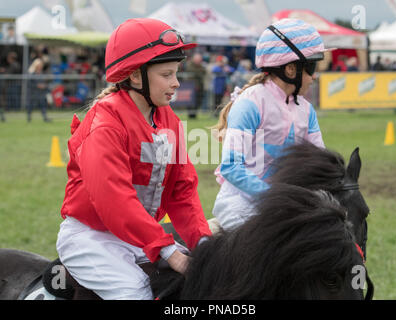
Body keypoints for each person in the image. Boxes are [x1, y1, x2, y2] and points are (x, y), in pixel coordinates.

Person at [56, 18, 212, 300]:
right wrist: (169, 252)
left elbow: (182, 193)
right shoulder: (105, 122)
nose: (176, 83)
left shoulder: (170, 121)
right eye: (167, 74)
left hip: (139, 237)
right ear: (136, 76)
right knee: (134, 292)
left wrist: (203, 245)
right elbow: (114, 199)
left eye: (176, 73)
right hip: (91, 238)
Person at [211, 18, 329, 231]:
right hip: (241, 205)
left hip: (287, 206)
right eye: (311, 67)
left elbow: (319, 164)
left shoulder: (307, 110)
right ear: (291, 69)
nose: (314, 77)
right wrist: (276, 197)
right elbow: (230, 167)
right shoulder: (250, 103)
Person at [27, 58, 51, 122]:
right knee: (31, 106)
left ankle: (45, 117)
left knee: (43, 105)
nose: (40, 67)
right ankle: (29, 118)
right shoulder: (32, 73)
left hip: (41, 93)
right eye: (39, 65)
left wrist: (44, 86)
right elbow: (29, 83)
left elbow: (45, 82)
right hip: (33, 92)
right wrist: (37, 85)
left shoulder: (42, 73)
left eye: (41, 65)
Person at [185, 52, 206, 118]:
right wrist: (198, 73)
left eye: (199, 60)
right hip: (191, 86)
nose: (198, 61)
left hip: (200, 86)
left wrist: (198, 72)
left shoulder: (201, 66)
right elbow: (191, 71)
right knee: (190, 101)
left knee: (198, 101)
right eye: (197, 59)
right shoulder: (189, 64)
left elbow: (204, 71)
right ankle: (191, 114)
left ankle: (194, 114)